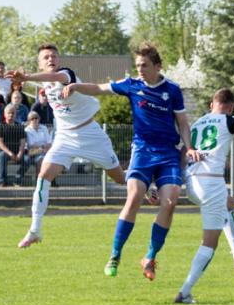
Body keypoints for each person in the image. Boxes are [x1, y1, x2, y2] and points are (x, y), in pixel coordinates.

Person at [62, 43, 197, 280]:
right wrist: (75, 86)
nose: (140, 70)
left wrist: (189, 147)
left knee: (170, 202)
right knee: (134, 196)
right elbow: (99, 88)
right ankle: (115, 255)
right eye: (137, 65)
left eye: (144, 65)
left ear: (158, 66)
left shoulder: (172, 90)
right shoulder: (131, 85)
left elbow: (183, 123)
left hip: (168, 153)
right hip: (143, 151)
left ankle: (150, 257)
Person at [7, 43, 127, 249]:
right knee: (44, 176)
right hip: (65, 137)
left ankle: (144, 186)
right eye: (46, 57)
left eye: (54, 56)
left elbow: (55, 77)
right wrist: (22, 82)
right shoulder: (45, 85)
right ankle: (35, 229)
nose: (51, 59)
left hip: (90, 134)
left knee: (120, 178)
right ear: (39, 63)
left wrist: (26, 77)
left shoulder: (65, 74)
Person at [174, 90, 234, 304]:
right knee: (209, 244)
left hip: (192, 181)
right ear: (231, 107)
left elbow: (183, 152)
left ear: (212, 104)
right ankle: (185, 292)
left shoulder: (198, 123)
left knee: (229, 203)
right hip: (210, 183)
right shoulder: (228, 120)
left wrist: (178, 180)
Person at [0, 104, 27, 186]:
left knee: (28, 159)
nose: (11, 115)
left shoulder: (20, 127)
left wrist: (20, 153)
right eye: (9, 113)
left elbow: (23, 142)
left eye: (13, 113)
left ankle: (17, 179)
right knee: (2, 156)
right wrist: (10, 153)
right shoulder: (0, 127)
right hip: (5, 152)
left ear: (15, 114)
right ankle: (2, 181)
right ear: (4, 114)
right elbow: (0, 143)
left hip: (17, 152)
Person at [23, 110, 52, 175]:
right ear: (29, 121)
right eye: (32, 119)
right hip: (33, 152)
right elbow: (31, 145)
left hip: (45, 151)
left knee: (51, 160)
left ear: (39, 119)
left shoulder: (44, 128)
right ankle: (39, 179)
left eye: (36, 118)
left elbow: (49, 142)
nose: (34, 120)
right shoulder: (27, 130)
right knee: (41, 161)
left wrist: (44, 148)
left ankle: (51, 179)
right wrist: (43, 148)